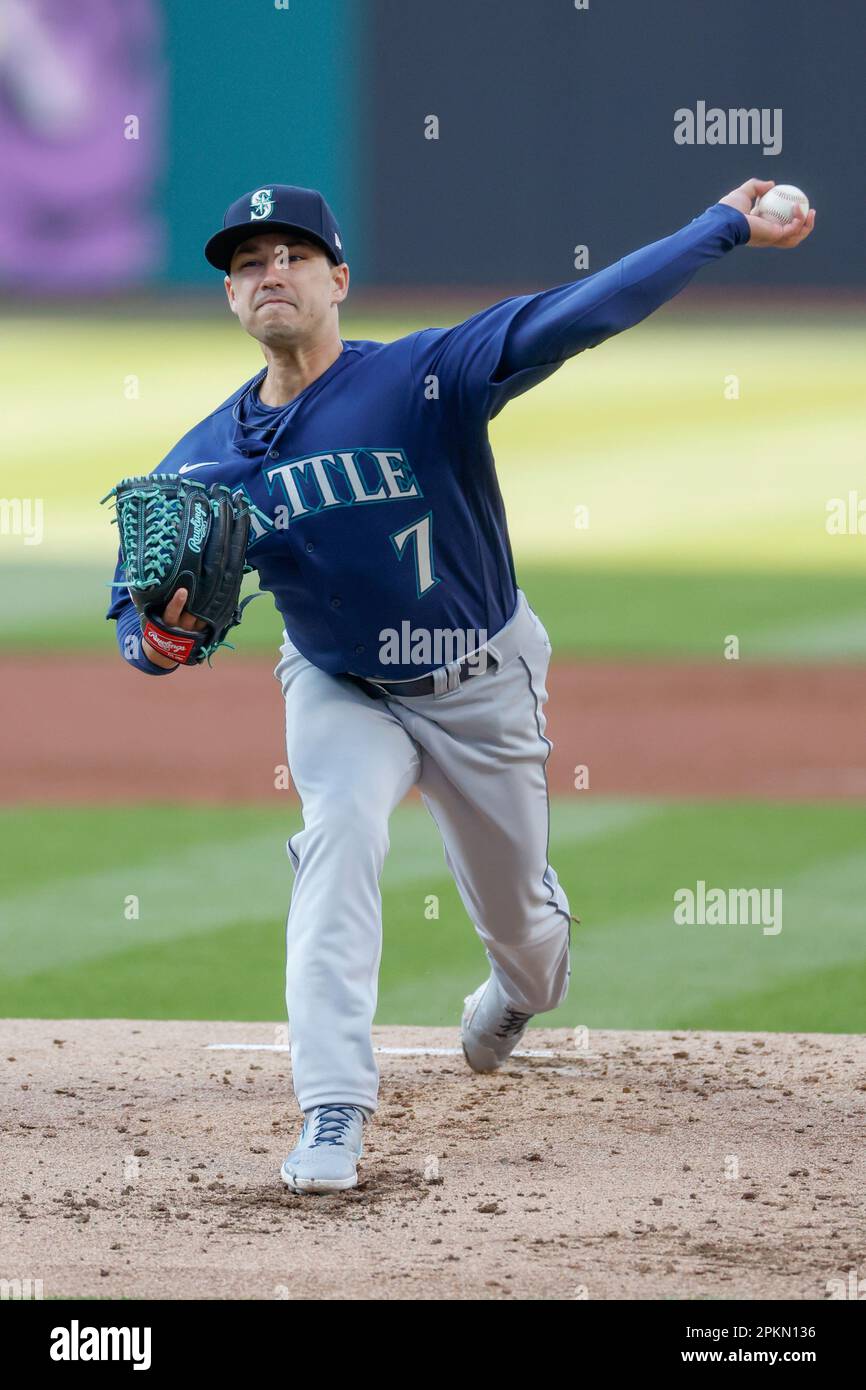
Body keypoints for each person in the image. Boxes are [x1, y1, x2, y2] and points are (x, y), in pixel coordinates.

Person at [106, 180, 815, 1194]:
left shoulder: (420, 377)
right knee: (337, 833)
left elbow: (575, 315)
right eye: (248, 262)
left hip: (481, 682)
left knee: (522, 938)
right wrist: (157, 644)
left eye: (292, 255)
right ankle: (332, 1110)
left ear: (337, 278)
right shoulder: (206, 461)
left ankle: (523, 980)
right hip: (339, 683)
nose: (270, 273)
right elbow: (137, 611)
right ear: (229, 297)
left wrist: (718, 228)